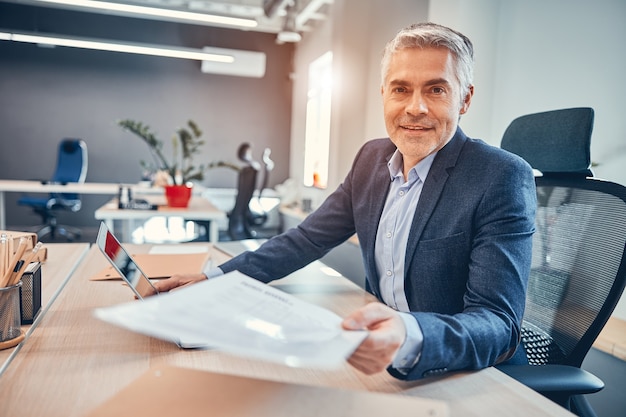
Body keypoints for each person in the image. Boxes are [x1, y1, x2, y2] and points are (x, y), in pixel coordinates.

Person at [153, 22, 536, 381]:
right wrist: (215, 279)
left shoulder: (499, 176)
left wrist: (409, 333)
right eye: (401, 89)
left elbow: (498, 323)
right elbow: (306, 239)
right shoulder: (371, 159)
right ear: (384, 94)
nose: (415, 108)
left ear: (464, 99)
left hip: (467, 374)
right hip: (381, 362)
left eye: (436, 90)